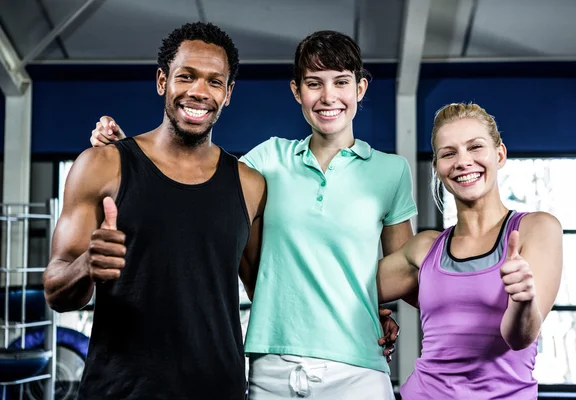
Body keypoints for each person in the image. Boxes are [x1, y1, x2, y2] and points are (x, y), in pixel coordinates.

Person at [89, 30, 416, 399]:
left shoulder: (392, 171)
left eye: (341, 82)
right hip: (272, 366)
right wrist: (128, 154)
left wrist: (375, 309)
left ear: (360, 88)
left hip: (358, 366)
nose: (328, 97)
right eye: (314, 83)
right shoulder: (266, 160)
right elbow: (191, 188)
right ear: (296, 91)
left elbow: (399, 271)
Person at [43, 22, 267, 399]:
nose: (199, 92)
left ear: (228, 94)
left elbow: (272, 291)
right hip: (119, 390)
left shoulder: (249, 185)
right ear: (163, 80)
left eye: (215, 82)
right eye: (187, 76)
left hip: (219, 390)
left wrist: (360, 312)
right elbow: (56, 290)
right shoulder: (103, 166)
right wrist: (86, 265)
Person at [376, 102, 563, 399]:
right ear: (437, 167)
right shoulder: (426, 248)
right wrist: (375, 315)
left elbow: (519, 338)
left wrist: (524, 300)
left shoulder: (537, 229)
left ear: (499, 154)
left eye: (475, 147)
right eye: (449, 153)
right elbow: (346, 290)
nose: (463, 162)